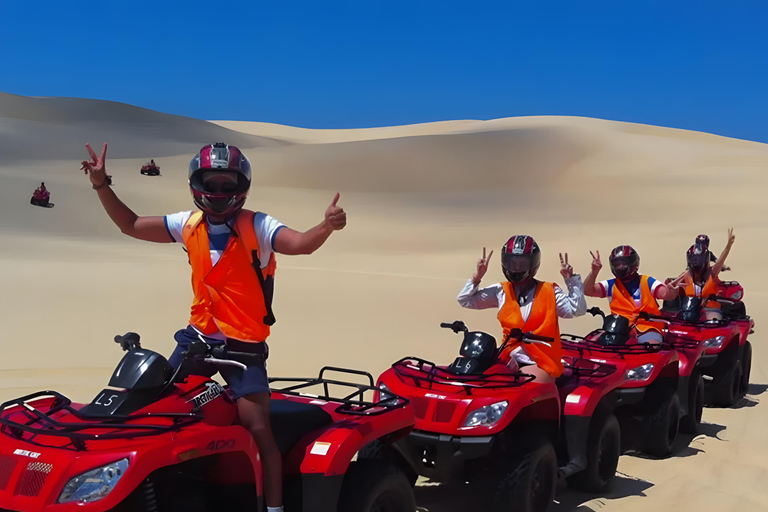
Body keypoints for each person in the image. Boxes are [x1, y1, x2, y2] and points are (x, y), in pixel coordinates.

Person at [80, 141, 346, 512]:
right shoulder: (188, 225)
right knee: (154, 407)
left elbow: (301, 244)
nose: (218, 193)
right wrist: (101, 185)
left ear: (241, 187)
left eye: (226, 185)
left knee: (258, 428)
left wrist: (326, 226)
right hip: (197, 339)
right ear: (196, 184)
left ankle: (274, 508)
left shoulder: (259, 225)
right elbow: (132, 225)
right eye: (211, 183)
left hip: (243, 347)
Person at [457, 235, 587, 380]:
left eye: (522, 264)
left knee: (528, 389)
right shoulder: (501, 290)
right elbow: (465, 300)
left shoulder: (550, 290)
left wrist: (571, 280)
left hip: (540, 360)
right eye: (512, 263)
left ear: (534, 264)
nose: (516, 269)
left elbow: (576, 310)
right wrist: (477, 278)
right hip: (507, 355)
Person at [584, 246, 682, 342]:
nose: (619, 267)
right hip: (618, 329)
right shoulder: (611, 285)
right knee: (591, 343)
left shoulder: (647, 281)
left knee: (652, 346)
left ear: (633, 264)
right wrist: (594, 272)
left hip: (647, 328)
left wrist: (671, 292)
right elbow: (587, 290)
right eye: (616, 264)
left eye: (623, 264)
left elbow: (665, 294)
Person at [678, 229, 736, 318]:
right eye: (694, 260)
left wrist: (729, 245)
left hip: (709, 312)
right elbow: (672, 291)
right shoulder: (685, 276)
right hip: (689, 312)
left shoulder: (710, 273)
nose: (697, 263)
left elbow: (719, 262)